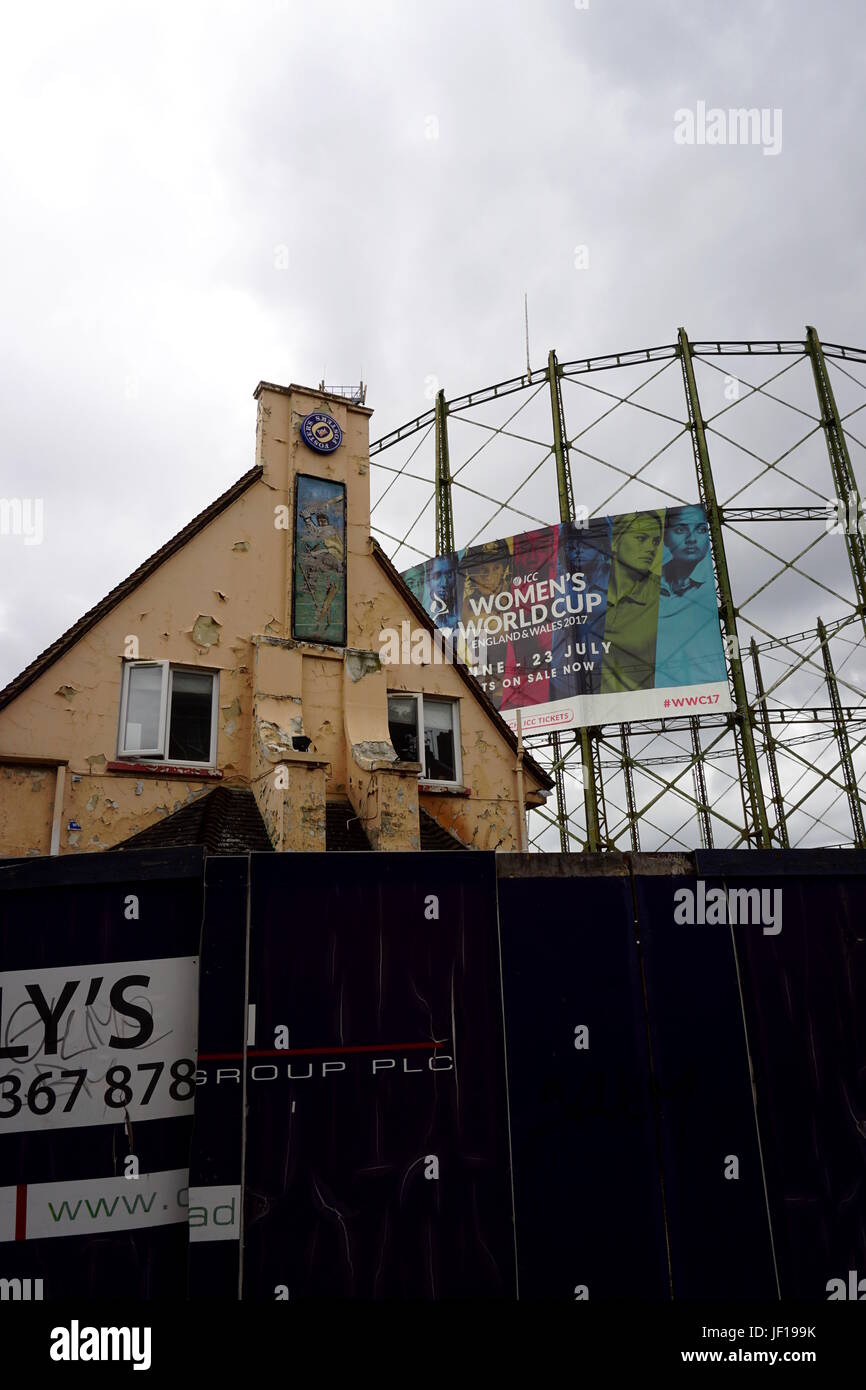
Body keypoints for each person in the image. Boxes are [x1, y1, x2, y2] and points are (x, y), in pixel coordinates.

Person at [655, 505, 727, 688]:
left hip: (706, 690)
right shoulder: (644, 585)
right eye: (680, 529)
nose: (691, 539)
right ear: (665, 537)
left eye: (701, 529)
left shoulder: (713, 591)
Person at [599, 511, 664, 693]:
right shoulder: (584, 595)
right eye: (641, 538)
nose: (651, 548)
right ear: (614, 542)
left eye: (655, 541)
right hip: (589, 710)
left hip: (649, 706)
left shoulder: (664, 595)